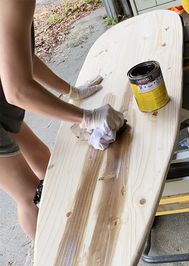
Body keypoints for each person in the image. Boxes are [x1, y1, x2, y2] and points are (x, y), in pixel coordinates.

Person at [0, 0, 124, 240]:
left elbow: (20, 54)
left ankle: (69, 226)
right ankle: (57, 262)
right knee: (30, 197)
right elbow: (17, 91)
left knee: (43, 158)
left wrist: (71, 91)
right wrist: (87, 117)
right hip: (6, 94)